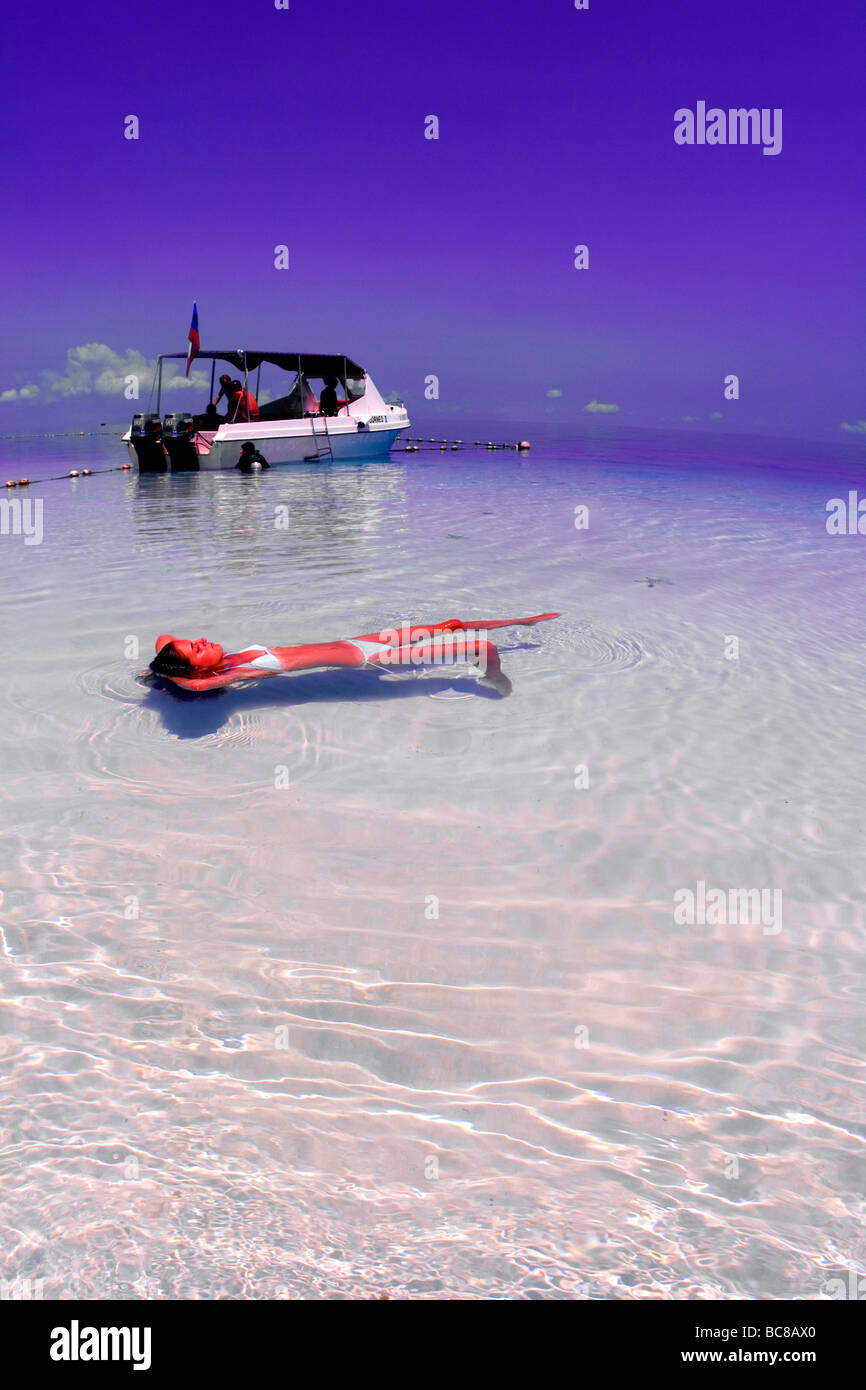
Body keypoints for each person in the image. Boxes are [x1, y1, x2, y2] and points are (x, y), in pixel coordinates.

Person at [149, 612, 561, 696]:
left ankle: (522, 621)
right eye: (195, 650)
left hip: (362, 640)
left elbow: (164, 637)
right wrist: (168, 675)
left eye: (194, 639)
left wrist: (163, 660)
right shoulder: (222, 677)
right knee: (481, 648)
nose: (201, 640)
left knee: (450, 623)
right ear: (197, 672)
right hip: (369, 661)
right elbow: (187, 680)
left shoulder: (232, 658)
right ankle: (493, 678)